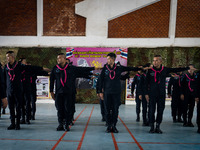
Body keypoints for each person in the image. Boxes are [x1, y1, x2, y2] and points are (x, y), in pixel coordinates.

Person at [50, 53, 97, 131]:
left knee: (67, 109)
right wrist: (51, 91)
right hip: (59, 92)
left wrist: (93, 68)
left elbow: (82, 70)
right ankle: (60, 124)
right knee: (59, 109)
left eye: (60, 58)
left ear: (64, 59)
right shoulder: (55, 68)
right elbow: (52, 80)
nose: (58, 60)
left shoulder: (71, 68)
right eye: (57, 58)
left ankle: (67, 124)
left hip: (69, 92)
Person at [144, 55, 189, 134]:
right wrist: (146, 94)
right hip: (152, 94)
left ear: (161, 61)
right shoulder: (150, 71)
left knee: (160, 110)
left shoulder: (165, 70)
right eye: (154, 60)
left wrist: (187, 68)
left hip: (161, 94)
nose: (155, 62)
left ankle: (158, 126)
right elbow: (146, 83)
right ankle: (152, 127)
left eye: (157, 60)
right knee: (151, 110)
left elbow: (175, 69)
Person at [98, 52, 141, 133]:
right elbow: (101, 80)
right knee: (107, 110)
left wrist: (140, 68)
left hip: (116, 92)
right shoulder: (105, 68)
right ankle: (108, 125)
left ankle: (114, 125)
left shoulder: (119, 68)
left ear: (113, 59)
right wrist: (100, 91)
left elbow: (129, 68)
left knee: (115, 109)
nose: (108, 60)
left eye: (109, 59)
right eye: (107, 59)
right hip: (107, 92)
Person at [4, 51, 44, 130]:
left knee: (18, 107)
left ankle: (17, 123)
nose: (7, 58)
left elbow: (30, 68)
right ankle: (12, 123)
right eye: (6, 57)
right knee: (11, 108)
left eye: (8, 56)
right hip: (9, 91)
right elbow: (4, 79)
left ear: (13, 57)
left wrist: (42, 68)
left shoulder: (19, 66)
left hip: (18, 90)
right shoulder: (6, 67)